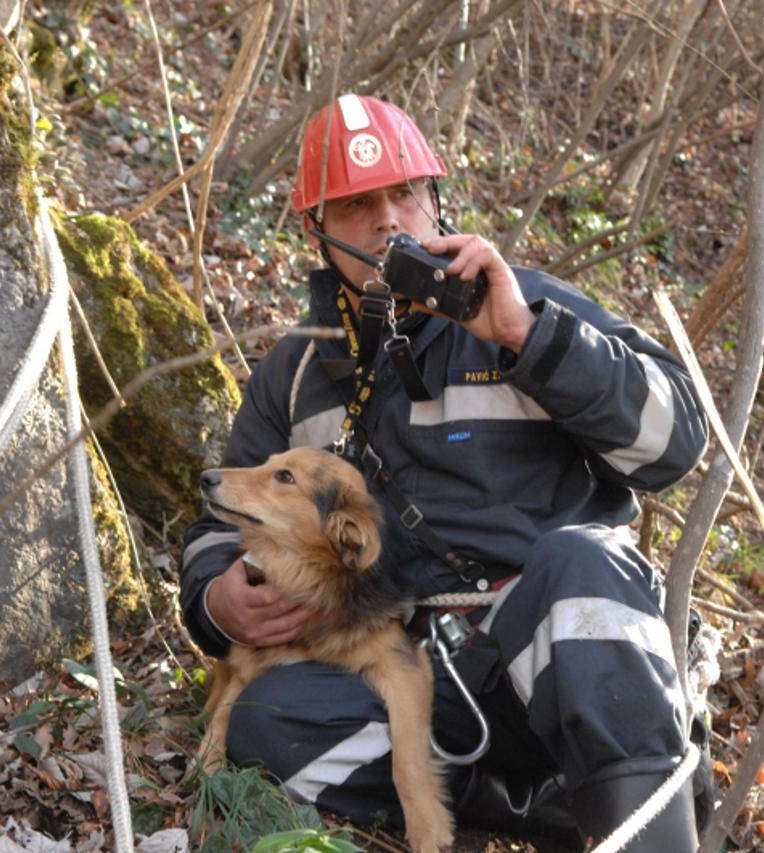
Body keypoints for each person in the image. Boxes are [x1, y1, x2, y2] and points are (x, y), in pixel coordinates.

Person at [180, 93, 710, 850]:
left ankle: (639, 820)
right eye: (357, 205)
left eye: (404, 193)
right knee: (268, 722)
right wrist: (218, 600)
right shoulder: (295, 374)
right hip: (418, 669)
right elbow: (220, 520)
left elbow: (676, 445)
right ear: (317, 231)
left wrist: (529, 340)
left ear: (437, 201)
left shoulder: (526, 307)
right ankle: (522, 801)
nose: (388, 221)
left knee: (581, 560)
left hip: (566, 651)